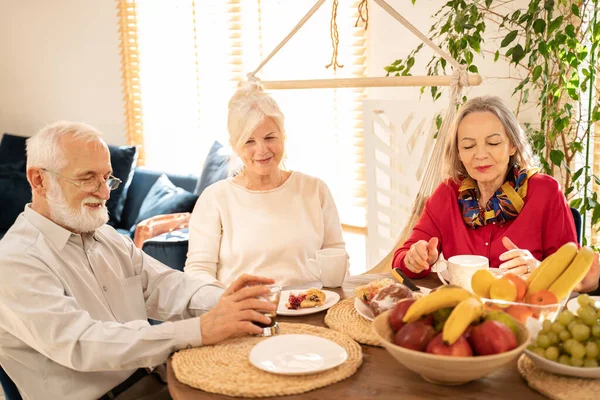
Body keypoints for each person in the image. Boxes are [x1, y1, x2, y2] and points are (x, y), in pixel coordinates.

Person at [0, 121, 277, 400]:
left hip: (155, 380)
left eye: (107, 177)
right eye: (87, 178)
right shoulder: (14, 262)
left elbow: (167, 286)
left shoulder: (106, 238)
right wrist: (200, 330)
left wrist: (231, 303)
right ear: (39, 180)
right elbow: (82, 344)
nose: (105, 192)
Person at [393, 96, 599, 292]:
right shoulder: (447, 194)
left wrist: (538, 268)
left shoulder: (545, 192)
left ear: (512, 145)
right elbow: (401, 260)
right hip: (463, 310)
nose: (481, 155)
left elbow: (573, 272)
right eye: (468, 145)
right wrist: (415, 258)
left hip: (525, 311)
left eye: (493, 143)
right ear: (458, 153)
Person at [184, 81, 346, 287]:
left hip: (311, 309)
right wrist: (228, 304)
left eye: (270, 138)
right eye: (249, 141)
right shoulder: (215, 198)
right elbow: (198, 271)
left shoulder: (315, 190)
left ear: (283, 137)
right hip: (244, 314)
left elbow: (336, 255)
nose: (261, 150)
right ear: (235, 145)